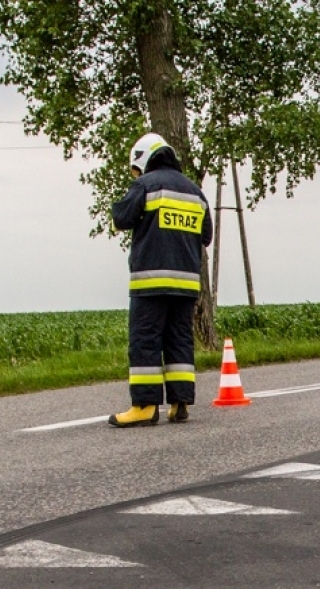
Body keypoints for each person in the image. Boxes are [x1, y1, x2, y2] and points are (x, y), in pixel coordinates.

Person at [107, 132, 214, 428]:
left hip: (150, 282)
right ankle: (179, 403)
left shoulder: (145, 185)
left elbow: (122, 218)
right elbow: (206, 236)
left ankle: (144, 406)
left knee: (146, 341)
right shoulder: (195, 192)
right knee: (179, 339)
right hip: (187, 283)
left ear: (142, 159)